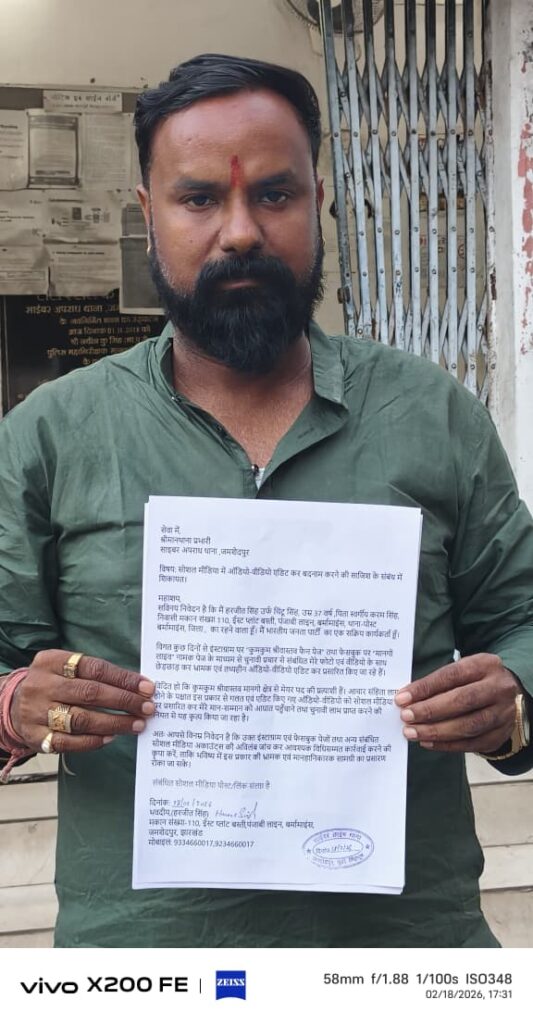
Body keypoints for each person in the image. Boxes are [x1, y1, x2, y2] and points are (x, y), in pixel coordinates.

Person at [0, 53, 532, 949]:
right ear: (148, 214)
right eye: (199, 198)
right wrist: (14, 701)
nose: (240, 231)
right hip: (150, 964)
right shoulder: (54, 433)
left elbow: (520, 617)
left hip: (400, 958)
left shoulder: (429, 413)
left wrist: (512, 694)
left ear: (319, 200)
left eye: (275, 194)